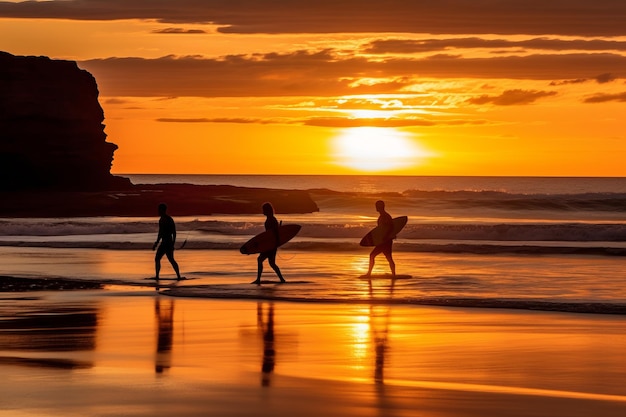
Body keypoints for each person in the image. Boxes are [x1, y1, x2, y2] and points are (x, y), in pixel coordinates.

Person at [252, 202, 285, 284]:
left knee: (261, 260)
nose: (262, 211)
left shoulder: (271, 220)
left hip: (271, 245)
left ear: (267, 210)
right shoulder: (271, 219)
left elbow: (274, 233)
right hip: (271, 244)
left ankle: (258, 279)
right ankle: (282, 279)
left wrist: (274, 244)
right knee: (272, 263)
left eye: (263, 209)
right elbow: (269, 234)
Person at [365, 200, 396, 277]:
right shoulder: (383, 216)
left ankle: (369, 273)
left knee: (373, 255)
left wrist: (387, 236)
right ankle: (394, 275)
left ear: (381, 207)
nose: (376, 207)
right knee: (388, 258)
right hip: (383, 240)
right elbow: (381, 229)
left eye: (377, 206)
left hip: (385, 241)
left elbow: (390, 227)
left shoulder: (386, 216)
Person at [153, 203, 182, 280]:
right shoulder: (162, 220)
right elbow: (160, 233)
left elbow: (174, 232)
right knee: (160, 259)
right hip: (165, 242)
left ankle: (178, 276)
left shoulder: (168, 219)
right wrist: (156, 243)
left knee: (168, 259)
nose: (158, 211)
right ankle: (157, 276)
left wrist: (173, 243)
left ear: (162, 210)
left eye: (159, 209)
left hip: (167, 243)